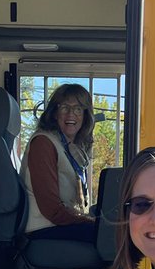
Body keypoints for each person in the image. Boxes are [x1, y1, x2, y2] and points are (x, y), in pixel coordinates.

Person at [20, 83, 98, 246]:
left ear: (85, 116)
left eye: (78, 109)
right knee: (113, 237)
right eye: (64, 107)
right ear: (55, 113)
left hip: (59, 225)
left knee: (114, 231)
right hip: (44, 230)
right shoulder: (43, 143)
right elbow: (51, 209)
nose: (71, 114)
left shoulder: (67, 147)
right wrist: (90, 222)